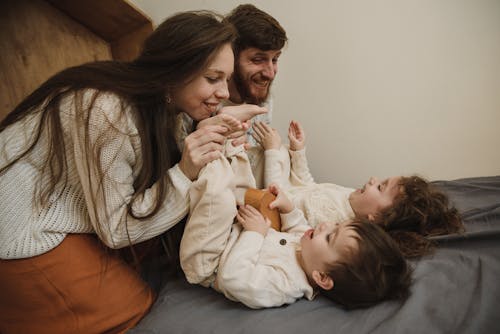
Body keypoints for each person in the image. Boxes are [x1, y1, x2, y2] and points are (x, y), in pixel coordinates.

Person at [0, 10, 265, 334]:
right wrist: (185, 171)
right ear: (174, 71)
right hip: (20, 221)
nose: (225, 93)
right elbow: (116, 230)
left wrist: (208, 131)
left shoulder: (168, 106)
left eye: (227, 79)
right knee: (130, 308)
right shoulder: (107, 112)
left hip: (75, 209)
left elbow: (158, 169)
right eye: (213, 78)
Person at [180, 140, 412, 309]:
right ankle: (229, 146)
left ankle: (207, 160)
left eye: (330, 237)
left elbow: (234, 278)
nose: (325, 226)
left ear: (322, 277)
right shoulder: (307, 250)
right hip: (238, 226)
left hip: (210, 261)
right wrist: (288, 208)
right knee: (243, 174)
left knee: (219, 193)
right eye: (334, 227)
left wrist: (255, 235)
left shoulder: (285, 284)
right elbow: (298, 226)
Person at [251, 120, 464, 258]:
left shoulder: (332, 222)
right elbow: (309, 186)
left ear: (374, 217)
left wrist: (271, 151)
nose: (372, 179)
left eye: (380, 187)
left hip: (270, 203)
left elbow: (277, 204)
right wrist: (298, 152)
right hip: (283, 189)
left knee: (276, 152)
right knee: (284, 152)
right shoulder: (349, 197)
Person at [220, 4, 288, 188]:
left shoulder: (264, 100)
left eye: (274, 59)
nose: (271, 73)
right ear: (230, 57)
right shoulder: (207, 101)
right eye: (258, 59)